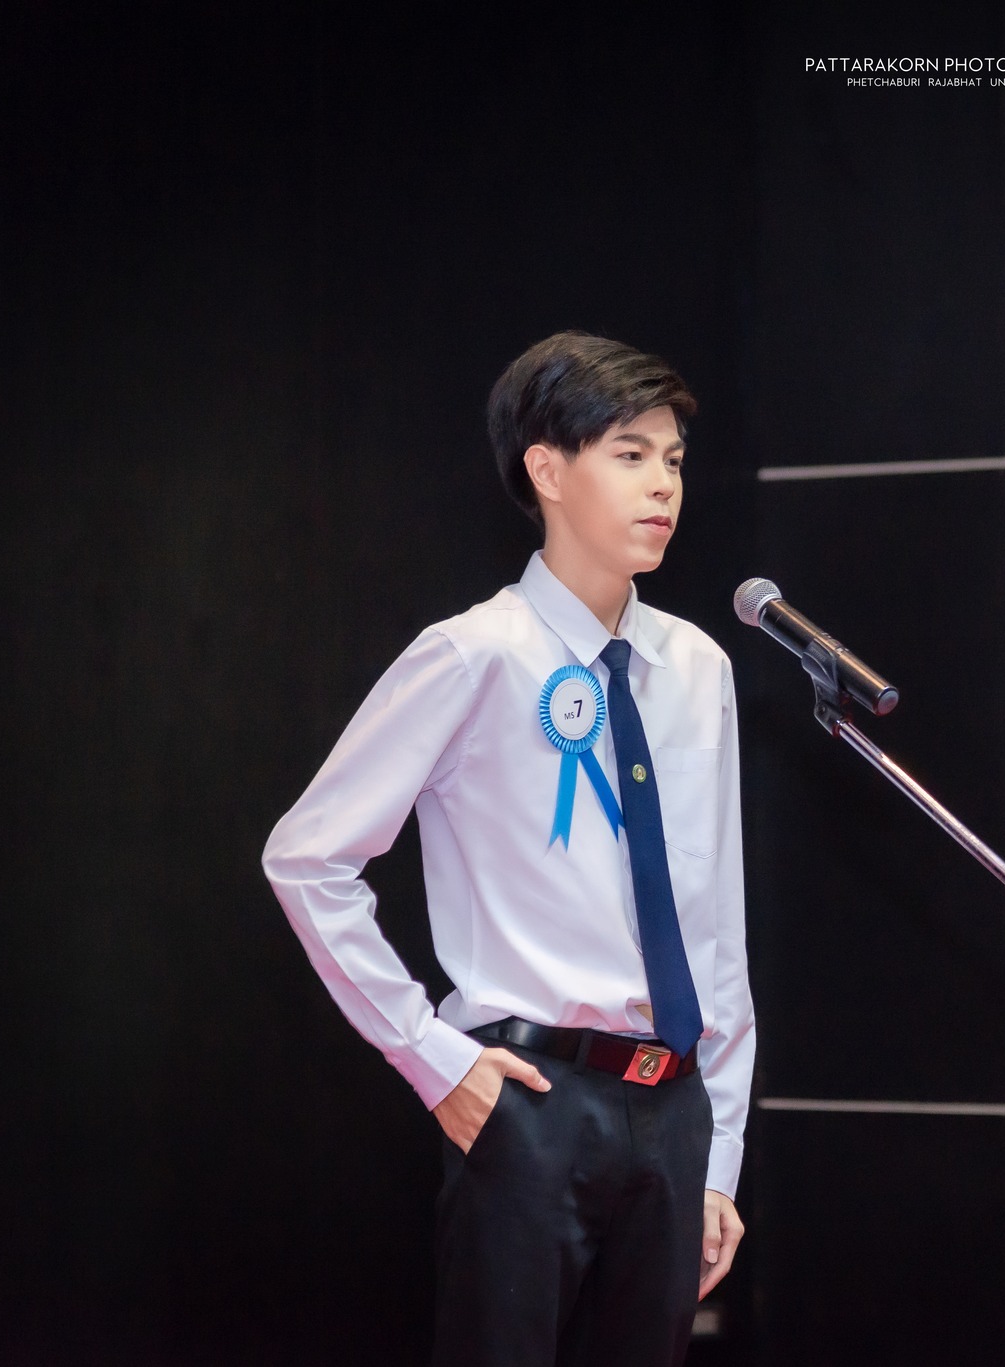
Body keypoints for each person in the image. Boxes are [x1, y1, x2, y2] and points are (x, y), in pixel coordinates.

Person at [262, 332, 754, 1367]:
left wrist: (720, 1150)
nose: (663, 484)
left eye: (673, 459)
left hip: (676, 1109)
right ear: (547, 469)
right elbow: (306, 857)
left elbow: (716, 921)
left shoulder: (698, 664)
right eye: (630, 454)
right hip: (531, 1100)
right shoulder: (472, 653)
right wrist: (430, 1057)